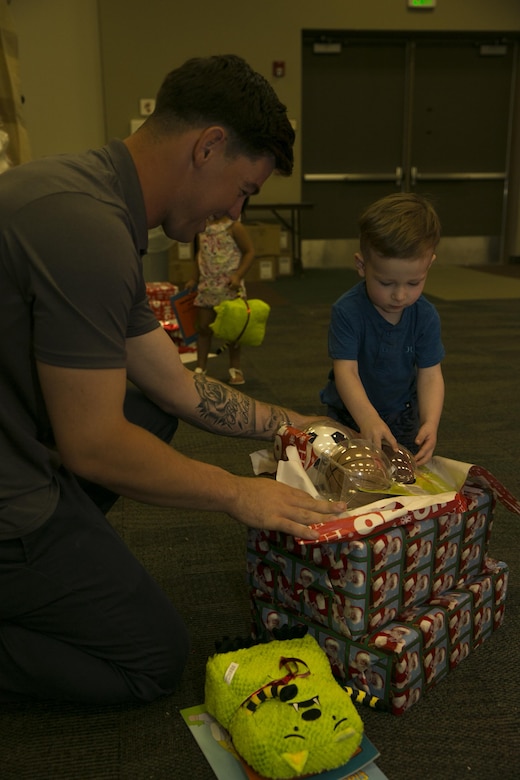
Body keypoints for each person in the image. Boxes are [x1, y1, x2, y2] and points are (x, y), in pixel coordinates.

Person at [0, 54, 347, 706]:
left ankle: (67, 545)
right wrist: (239, 494)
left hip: (20, 442)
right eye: (243, 191)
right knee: (153, 659)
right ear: (209, 147)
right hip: (11, 498)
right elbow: (95, 445)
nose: (231, 213)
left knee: (150, 414)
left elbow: (174, 385)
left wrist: (287, 421)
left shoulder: (91, 200)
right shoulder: (88, 233)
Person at [320, 192, 445, 466]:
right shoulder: (347, 311)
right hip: (349, 415)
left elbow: (430, 375)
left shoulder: (425, 316)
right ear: (362, 266)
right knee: (344, 478)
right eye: (386, 283)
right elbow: (346, 371)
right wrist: (367, 419)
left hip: (402, 417)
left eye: (413, 283)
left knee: (401, 482)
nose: (400, 296)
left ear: (429, 265)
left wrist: (431, 422)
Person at [188, 214, 255, 385]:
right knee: (203, 327)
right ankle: (201, 367)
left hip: (229, 287)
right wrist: (194, 278)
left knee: (233, 330)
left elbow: (249, 252)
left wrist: (238, 276)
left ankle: (235, 368)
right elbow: (199, 254)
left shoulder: (234, 226)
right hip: (207, 285)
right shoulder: (202, 225)